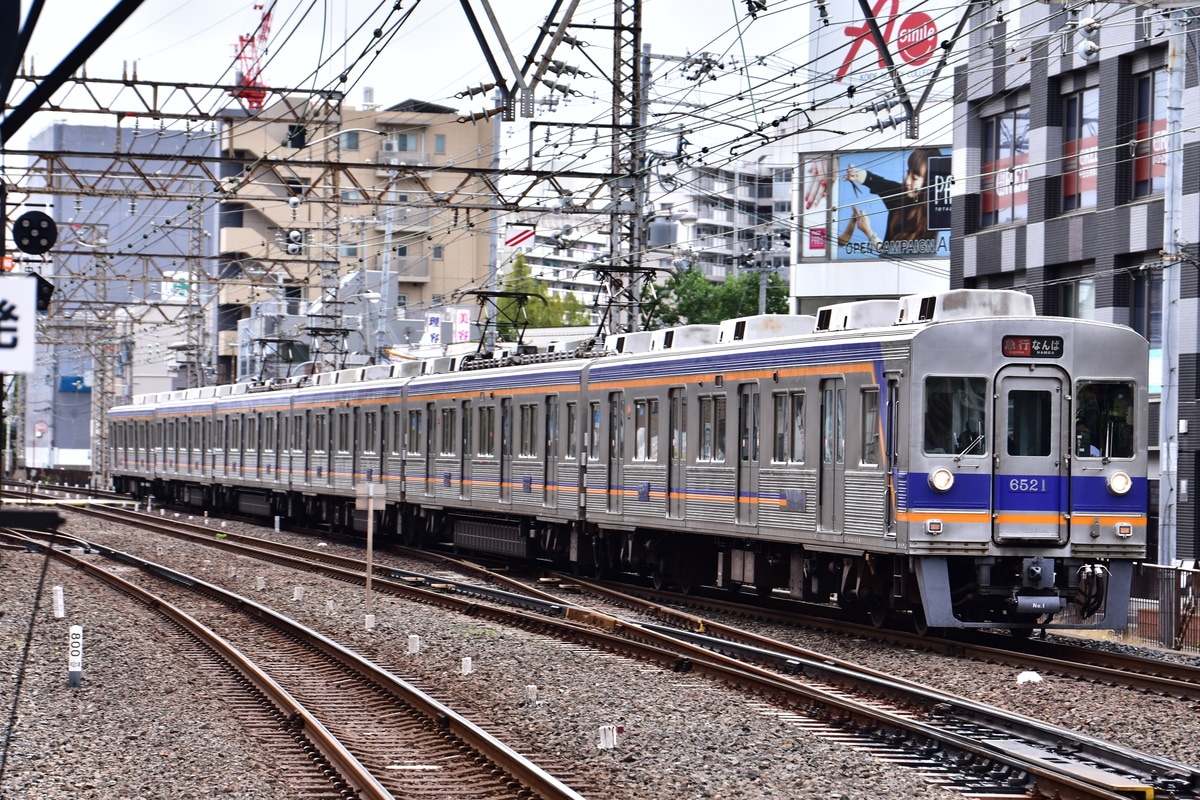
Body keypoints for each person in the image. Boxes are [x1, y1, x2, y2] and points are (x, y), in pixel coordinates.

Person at [838, 149, 940, 253]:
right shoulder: (901, 195)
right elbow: (879, 183)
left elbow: (894, 256)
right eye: (908, 173)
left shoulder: (932, 218)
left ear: (929, 182)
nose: (907, 181)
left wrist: (868, 232)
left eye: (914, 177)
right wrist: (856, 174)